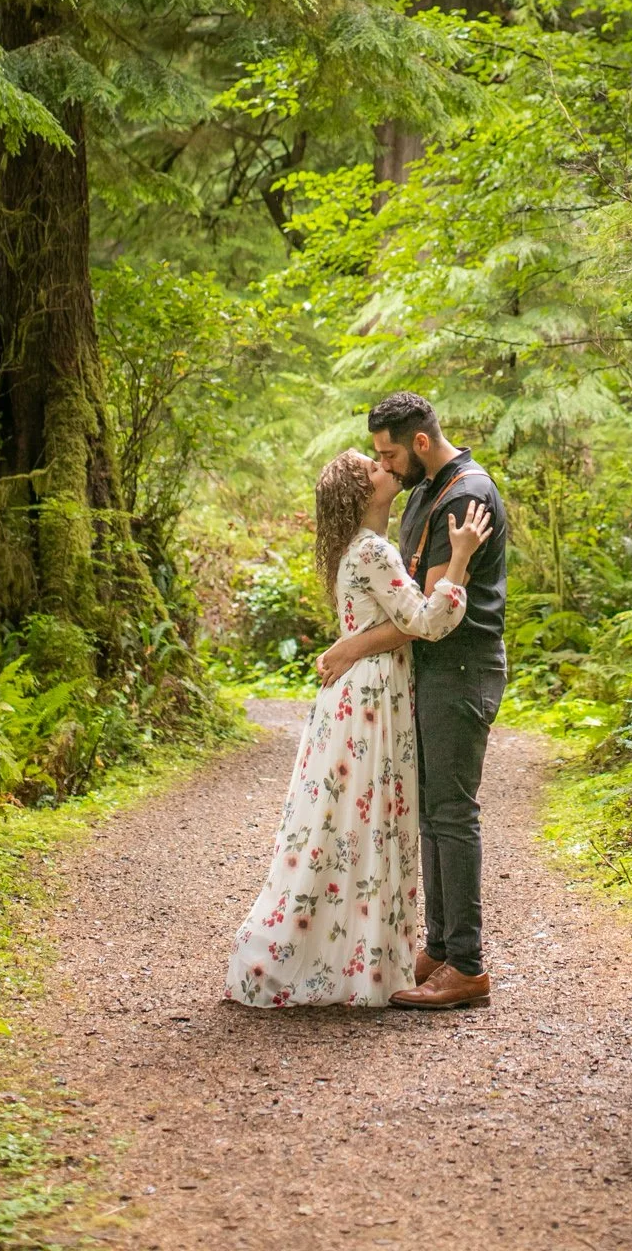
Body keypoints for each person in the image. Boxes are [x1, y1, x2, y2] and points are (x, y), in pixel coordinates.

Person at [224, 447, 490, 1008]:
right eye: (372, 468)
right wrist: (460, 558)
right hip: (371, 696)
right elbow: (423, 622)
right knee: (362, 825)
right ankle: (351, 956)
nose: (383, 467)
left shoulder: (360, 549)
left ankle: (363, 952)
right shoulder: (372, 549)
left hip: (361, 691)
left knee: (346, 823)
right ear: (360, 493)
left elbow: (390, 622)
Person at [316, 392, 507, 1011]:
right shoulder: (424, 491)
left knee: (452, 813)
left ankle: (469, 966)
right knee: (430, 811)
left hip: (460, 666)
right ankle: (443, 947)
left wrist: (351, 647)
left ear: (419, 443)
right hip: (426, 674)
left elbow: (431, 618)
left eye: (389, 453)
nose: (386, 466)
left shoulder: (464, 494)